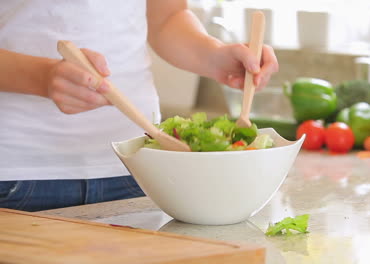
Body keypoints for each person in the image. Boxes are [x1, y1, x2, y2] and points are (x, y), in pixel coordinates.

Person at [0, 0, 279, 212]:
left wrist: (214, 56)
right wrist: (42, 76)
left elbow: (166, 18)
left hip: (141, 166)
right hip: (18, 173)